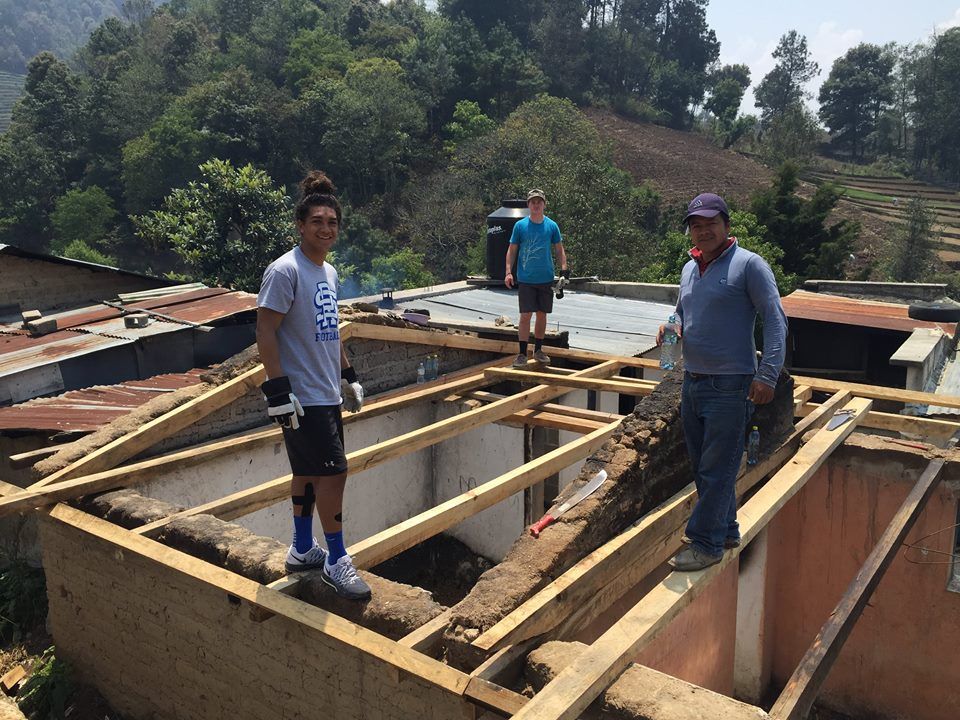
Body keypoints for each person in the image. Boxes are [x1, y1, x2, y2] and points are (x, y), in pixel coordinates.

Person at [256, 170, 371, 600]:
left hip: (325, 391)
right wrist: (278, 390)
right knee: (334, 473)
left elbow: (330, 330)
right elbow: (265, 331)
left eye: (332, 222)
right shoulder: (285, 271)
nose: (326, 228)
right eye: (317, 221)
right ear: (301, 226)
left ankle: (304, 548)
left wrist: (348, 375)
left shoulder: (330, 273)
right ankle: (337, 560)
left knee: (306, 473)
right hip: (302, 398)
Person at [657, 192, 787, 572]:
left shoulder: (749, 265)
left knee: (718, 467)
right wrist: (672, 326)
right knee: (705, 467)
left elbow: (776, 320)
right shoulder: (689, 269)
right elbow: (681, 312)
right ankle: (726, 530)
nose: (703, 231)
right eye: (696, 225)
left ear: (726, 226)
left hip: (731, 385)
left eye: (711, 223)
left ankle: (705, 543)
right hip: (693, 382)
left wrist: (768, 374)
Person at [504, 189, 568, 368]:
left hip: (545, 278)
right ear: (528, 205)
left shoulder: (551, 226)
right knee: (525, 315)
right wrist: (508, 271)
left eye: (539, 202)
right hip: (526, 278)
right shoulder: (520, 226)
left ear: (544, 204)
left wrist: (564, 270)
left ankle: (538, 350)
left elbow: (559, 249)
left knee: (542, 314)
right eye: (533, 202)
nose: (536, 205)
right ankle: (522, 353)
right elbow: (512, 249)